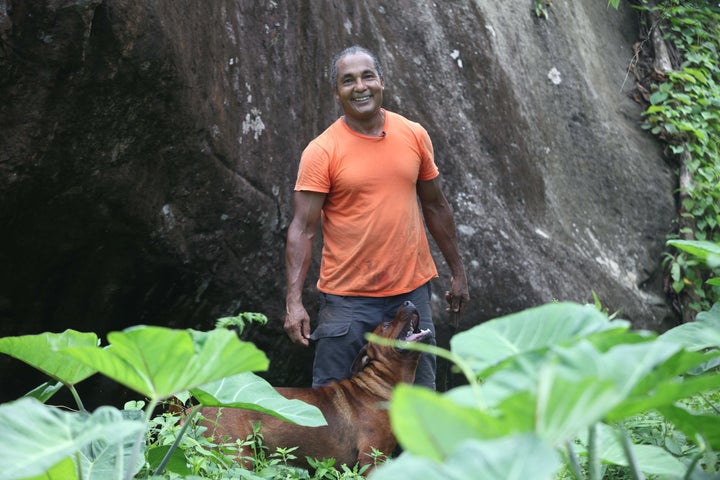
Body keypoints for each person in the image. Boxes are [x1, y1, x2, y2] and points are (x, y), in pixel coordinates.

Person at [284, 45, 469, 389]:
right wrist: (293, 302)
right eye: (348, 80)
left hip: (411, 295)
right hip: (348, 302)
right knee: (333, 405)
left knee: (420, 405)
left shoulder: (413, 134)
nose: (360, 86)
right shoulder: (322, 150)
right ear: (336, 91)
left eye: (367, 76)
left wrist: (458, 273)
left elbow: (435, 206)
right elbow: (302, 228)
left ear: (382, 80)